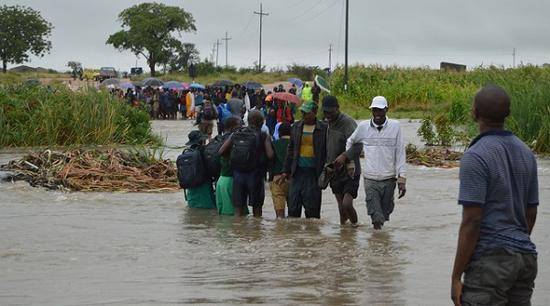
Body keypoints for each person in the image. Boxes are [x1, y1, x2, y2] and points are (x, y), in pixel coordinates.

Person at [451, 85, 539, 306]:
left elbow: (472, 221)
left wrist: (455, 277)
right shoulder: (526, 153)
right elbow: (531, 213)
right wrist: (515, 246)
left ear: (474, 112)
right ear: (508, 114)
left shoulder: (475, 156)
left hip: (491, 263)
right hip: (525, 259)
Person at [343, 96, 406, 230]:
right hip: (370, 179)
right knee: (376, 216)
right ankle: (377, 243)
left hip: (389, 179)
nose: (377, 114)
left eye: (380, 110)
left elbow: (400, 153)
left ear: (386, 110)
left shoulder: (395, 126)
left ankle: (380, 242)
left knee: (385, 213)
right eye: (374, 110)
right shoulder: (364, 126)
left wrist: (402, 178)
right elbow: (350, 141)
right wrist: (350, 163)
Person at [219, 110, 274, 217]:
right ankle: (255, 232)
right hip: (256, 176)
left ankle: (239, 232)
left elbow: (221, 151)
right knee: (257, 211)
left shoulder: (236, 133)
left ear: (248, 121)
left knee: (238, 211)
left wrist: (234, 158)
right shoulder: (263, 135)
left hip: (238, 175)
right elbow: (270, 155)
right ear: (262, 122)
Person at [279, 101, 327, 218]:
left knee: (312, 211)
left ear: (315, 113)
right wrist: (285, 171)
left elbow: (327, 151)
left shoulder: (324, 129)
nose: (303, 115)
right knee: (293, 208)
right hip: (297, 172)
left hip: (314, 174)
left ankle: (310, 236)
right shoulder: (296, 127)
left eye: (306, 113)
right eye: (302, 112)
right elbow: (290, 151)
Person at [324, 96, 361, 226]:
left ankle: (355, 226)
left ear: (337, 108)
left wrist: (344, 156)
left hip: (350, 170)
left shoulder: (348, 123)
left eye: (330, 112)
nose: (328, 115)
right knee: (340, 206)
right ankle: (345, 234)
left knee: (347, 204)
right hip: (334, 170)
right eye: (325, 112)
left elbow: (358, 145)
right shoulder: (327, 124)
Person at [216, 117, 249, 216]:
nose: (241, 126)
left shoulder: (221, 138)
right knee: (235, 218)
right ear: (232, 127)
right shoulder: (233, 139)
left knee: (224, 219)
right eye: (239, 124)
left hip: (222, 180)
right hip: (231, 182)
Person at [182, 131, 216, 209]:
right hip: (203, 186)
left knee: (193, 212)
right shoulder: (203, 151)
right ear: (201, 140)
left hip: (190, 188)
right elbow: (210, 168)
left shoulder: (186, 152)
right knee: (207, 212)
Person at [269, 122, 291, 218]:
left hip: (277, 179)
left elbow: (269, 162)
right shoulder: (296, 144)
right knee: (293, 215)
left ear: (279, 133)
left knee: (280, 217)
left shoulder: (274, 144)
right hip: (293, 179)